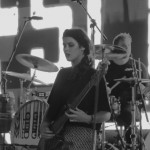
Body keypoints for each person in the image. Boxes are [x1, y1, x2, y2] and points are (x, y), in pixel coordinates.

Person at [38, 28, 111, 150]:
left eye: (70, 45)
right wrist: (44, 125)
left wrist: (88, 118)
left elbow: (106, 114)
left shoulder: (94, 75)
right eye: (64, 45)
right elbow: (52, 107)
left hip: (82, 132)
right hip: (56, 132)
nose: (66, 49)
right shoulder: (62, 74)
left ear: (82, 47)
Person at [105, 33, 150, 148]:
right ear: (116, 48)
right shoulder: (106, 67)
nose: (127, 49)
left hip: (133, 109)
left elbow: (148, 90)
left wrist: (144, 90)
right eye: (123, 46)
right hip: (108, 109)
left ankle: (132, 142)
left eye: (128, 46)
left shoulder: (139, 66)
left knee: (129, 109)